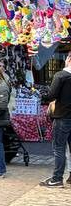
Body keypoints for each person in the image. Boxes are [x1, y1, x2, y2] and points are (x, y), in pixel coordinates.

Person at [40, 57, 71, 187]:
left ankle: (57, 178)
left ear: (69, 60)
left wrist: (43, 95)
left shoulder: (61, 75)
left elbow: (51, 95)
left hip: (62, 115)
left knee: (59, 148)